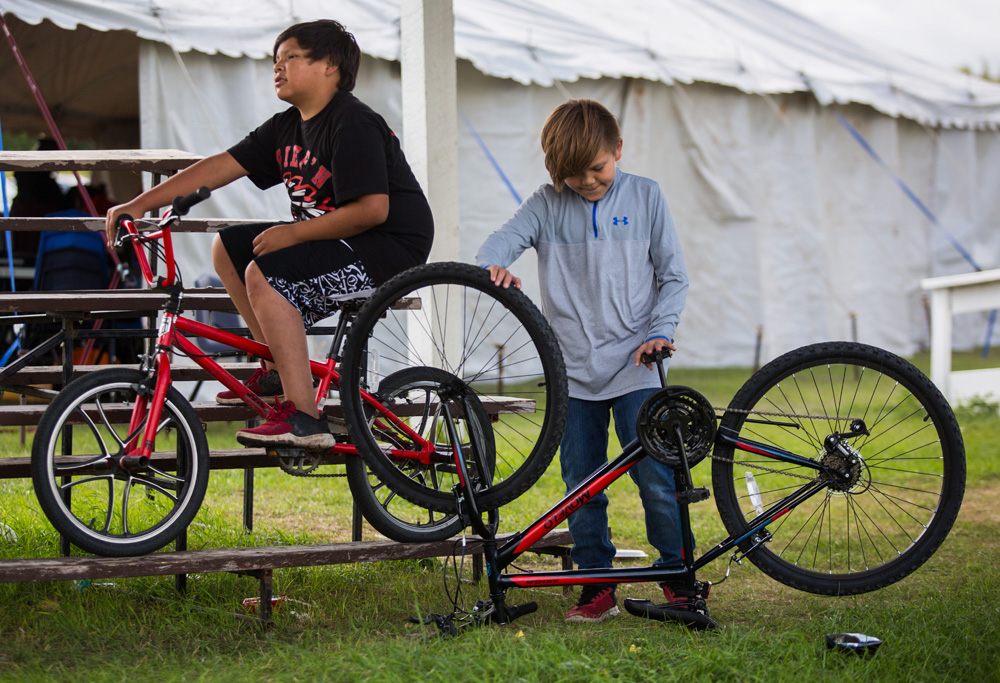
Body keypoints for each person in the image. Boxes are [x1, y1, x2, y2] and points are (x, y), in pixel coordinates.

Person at [106, 19, 433, 449]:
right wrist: (140, 204)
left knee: (265, 272)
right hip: (341, 241)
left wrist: (293, 234)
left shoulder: (353, 122)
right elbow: (217, 167)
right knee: (229, 247)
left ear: (330, 65)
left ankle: (305, 419)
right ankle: (278, 369)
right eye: (274, 61)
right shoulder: (285, 127)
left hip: (389, 249)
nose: (276, 69)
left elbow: (373, 209)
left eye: (290, 58)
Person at [476, 99, 690, 623]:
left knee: (657, 480)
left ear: (618, 149)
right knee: (582, 486)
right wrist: (496, 264)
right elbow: (497, 243)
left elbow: (673, 276)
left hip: (637, 367)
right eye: (573, 175)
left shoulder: (647, 196)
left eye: (597, 168)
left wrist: (660, 333)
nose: (588, 182)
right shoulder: (546, 204)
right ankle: (595, 585)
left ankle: (677, 577)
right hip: (571, 374)